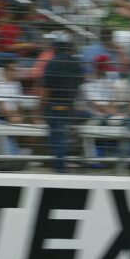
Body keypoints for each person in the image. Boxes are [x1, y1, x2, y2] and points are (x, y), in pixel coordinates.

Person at [42, 32, 84, 173]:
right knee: (63, 134)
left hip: (55, 104)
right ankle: (63, 163)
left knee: (57, 135)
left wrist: (41, 107)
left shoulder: (52, 63)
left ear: (54, 46)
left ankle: (60, 166)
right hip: (69, 104)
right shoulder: (76, 64)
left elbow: (47, 89)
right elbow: (79, 85)